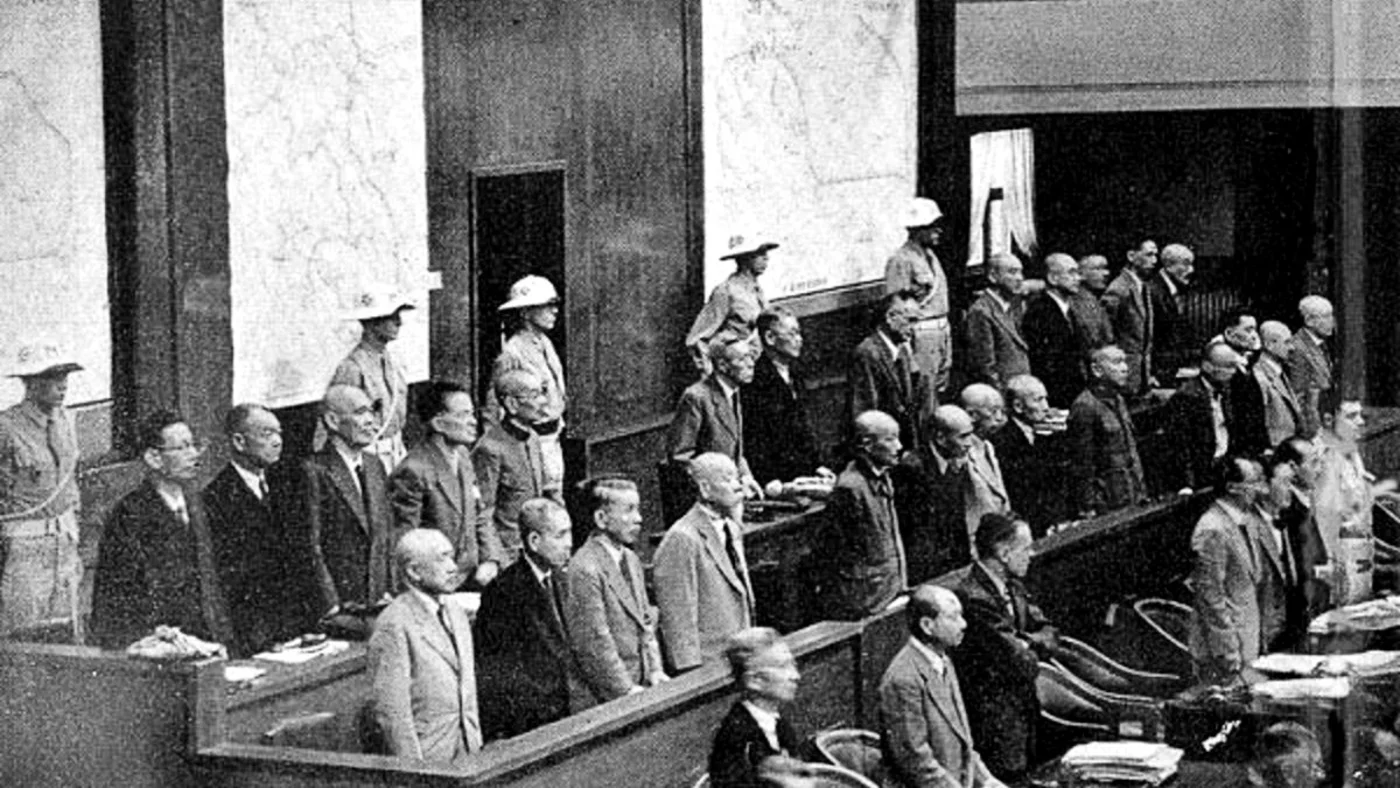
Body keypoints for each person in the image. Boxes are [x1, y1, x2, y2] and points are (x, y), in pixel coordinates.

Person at [91, 410, 233, 649]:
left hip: (207, 636)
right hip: (160, 641)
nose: (193, 455)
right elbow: (117, 596)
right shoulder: (130, 514)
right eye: (182, 448)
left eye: (193, 445)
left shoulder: (198, 504)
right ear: (154, 458)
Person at [204, 404, 316, 656]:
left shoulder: (286, 486)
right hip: (253, 632)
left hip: (294, 625)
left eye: (279, 433)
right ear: (239, 441)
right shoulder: (217, 497)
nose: (277, 442)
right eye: (266, 434)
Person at [955, 514, 1058, 783]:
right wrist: (1029, 646)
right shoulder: (974, 597)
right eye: (1026, 548)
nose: (1032, 554)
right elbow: (1020, 663)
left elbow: (1051, 634)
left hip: (1025, 713)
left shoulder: (1013, 586)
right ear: (1003, 552)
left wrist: (1025, 641)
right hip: (997, 724)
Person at [878, 583, 1008, 788]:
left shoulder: (943, 660)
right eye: (953, 617)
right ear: (927, 625)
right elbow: (916, 763)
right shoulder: (902, 679)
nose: (963, 624)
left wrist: (987, 780)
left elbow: (964, 743)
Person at [369, 528, 482, 763]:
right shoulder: (394, 624)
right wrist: (417, 774)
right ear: (413, 572)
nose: (453, 566)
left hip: (469, 752)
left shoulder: (455, 611)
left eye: (451, 557)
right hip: (430, 760)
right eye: (442, 558)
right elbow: (393, 714)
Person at [0, 342, 83, 640]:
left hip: (64, 539)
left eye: (65, 377)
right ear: (30, 383)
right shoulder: (6, 428)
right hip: (24, 545)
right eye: (52, 377)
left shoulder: (67, 420)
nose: (62, 386)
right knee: (23, 634)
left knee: (66, 630)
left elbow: (73, 483)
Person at [475, 497, 576, 740]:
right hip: (531, 726)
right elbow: (498, 672)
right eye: (560, 535)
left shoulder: (561, 579)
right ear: (534, 541)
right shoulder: (504, 592)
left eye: (570, 533)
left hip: (567, 711)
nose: (569, 544)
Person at [389, 381, 504, 588]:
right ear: (438, 423)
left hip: (473, 576)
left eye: (472, 414)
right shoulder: (413, 470)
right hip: (436, 582)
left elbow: (481, 514)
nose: (472, 422)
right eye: (463, 415)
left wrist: (491, 559)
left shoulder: (463, 456)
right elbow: (406, 542)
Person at [565, 477, 668, 707]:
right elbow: (596, 644)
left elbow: (645, 623)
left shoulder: (630, 559)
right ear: (601, 519)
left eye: (638, 509)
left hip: (641, 686)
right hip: (607, 698)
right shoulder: (585, 568)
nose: (639, 518)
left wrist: (655, 670)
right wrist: (627, 690)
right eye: (629, 510)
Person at [655, 453, 756, 672]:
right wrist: (692, 675)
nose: (737, 486)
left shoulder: (731, 528)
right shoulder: (682, 538)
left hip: (738, 658)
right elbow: (678, 618)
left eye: (737, 478)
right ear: (705, 489)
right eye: (727, 479)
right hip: (709, 667)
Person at [303, 384, 394, 620]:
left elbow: (387, 534)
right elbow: (312, 544)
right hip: (342, 607)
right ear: (332, 421)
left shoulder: (375, 465)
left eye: (372, 412)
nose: (371, 421)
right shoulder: (314, 470)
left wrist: (391, 588)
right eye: (360, 412)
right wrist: (330, 603)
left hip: (379, 600)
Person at [1311, 391, 1400, 606]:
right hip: (1341, 558)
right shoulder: (1321, 459)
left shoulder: (1348, 449)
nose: (1360, 422)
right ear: (1328, 419)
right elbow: (1325, 520)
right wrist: (1335, 569)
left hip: (1360, 551)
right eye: (1351, 416)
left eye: (1360, 415)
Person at [1189, 456, 1269, 686]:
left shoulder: (1246, 521)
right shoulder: (1211, 528)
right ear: (1233, 487)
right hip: (1223, 651)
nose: (1261, 489)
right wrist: (1228, 651)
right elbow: (1211, 596)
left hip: (1248, 640)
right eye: (1254, 482)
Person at [821, 411, 908, 621]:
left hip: (891, 587)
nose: (898, 446)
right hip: (869, 596)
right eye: (890, 439)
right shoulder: (850, 487)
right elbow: (837, 550)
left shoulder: (883, 474)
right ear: (866, 444)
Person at [474, 369, 563, 564]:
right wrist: (497, 560)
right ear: (512, 404)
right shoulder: (489, 448)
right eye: (534, 395)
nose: (543, 401)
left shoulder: (532, 438)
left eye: (542, 392)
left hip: (536, 549)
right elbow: (483, 513)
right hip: (509, 555)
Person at [325, 284, 415, 471]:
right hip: (369, 454)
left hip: (396, 450)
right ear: (373, 322)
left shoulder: (392, 362)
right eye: (392, 316)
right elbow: (336, 419)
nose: (399, 322)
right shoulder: (353, 367)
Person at [492, 275, 568, 494]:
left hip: (552, 437)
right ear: (525, 312)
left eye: (554, 305)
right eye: (546, 306)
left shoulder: (544, 343)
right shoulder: (512, 352)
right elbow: (498, 403)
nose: (554, 311)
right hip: (530, 439)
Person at [708, 627, 811, 788]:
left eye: (793, 665)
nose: (795, 676)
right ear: (754, 681)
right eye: (783, 666)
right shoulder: (736, 737)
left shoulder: (782, 727)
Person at [668, 332, 763, 499]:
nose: (751, 364)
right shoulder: (696, 397)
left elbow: (735, 450)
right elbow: (680, 457)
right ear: (722, 365)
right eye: (742, 359)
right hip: (709, 497)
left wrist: (746, 477)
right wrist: (717, 486)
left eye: (750, 357)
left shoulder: (734, 391)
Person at [743, 308, 826, 485]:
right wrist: (771, 481)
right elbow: (756, 441)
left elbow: (804, 429)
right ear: (770, 338)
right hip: (777, 481)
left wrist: (817, 466)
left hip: (804, 474)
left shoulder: (795, 373)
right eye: (793, 334)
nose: (800, 339)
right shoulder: (755, 381)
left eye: (799, 333)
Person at [894, 405, 976, 581]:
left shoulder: (955, 459)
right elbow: (914, 531)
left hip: (955, 562)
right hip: (929, 569)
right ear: (940, 438)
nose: (970, 443)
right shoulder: (912, 469)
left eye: (970, 434)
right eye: (963, 436)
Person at [885, 197, 953, 399]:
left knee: (939, 387)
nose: (938, 231)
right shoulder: (901, 260)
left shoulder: (930, 256)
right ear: (917, 229)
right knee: (924, 392)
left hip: (941, 329)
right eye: (932, 226)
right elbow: (896, 306)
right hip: (921, 332)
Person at [1068, 345, 1147, 517]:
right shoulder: (1084, 407)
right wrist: (1087, 507)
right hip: (1108, 501)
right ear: (1097, 370)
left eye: (1125, 362)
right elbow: (1083, 463)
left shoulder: (1118, 399)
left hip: (1133, 493)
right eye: (1117, 363)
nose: (1125, 368)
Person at [687, 231, 778, 373]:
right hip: (736, 368)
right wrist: (708, 372)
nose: (766, 258)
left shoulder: (757, 290)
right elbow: (697, 338)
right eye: (759, 253)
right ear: (745, 259)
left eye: (765, 253)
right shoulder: (726, 291)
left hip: (759, 365)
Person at [848, 293, 929, 452]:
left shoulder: (902, 350)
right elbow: (866, 412)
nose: (914, 329)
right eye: (910, 320)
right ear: (890, 317)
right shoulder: (868, 353)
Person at [1162, 341, 1246, 491]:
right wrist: (1187, 484)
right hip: (1202, 472)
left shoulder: (1227, 388)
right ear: (1207, 366)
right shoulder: (1186, 397)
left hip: (1226, 465)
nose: (1233, 372)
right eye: (1228, 366)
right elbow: (1181, 445)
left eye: (1234, 366)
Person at [991, 375, 1063, 535]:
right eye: (1038, 400)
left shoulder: (1044, 433)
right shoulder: (1002, 441)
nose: (1046, 406)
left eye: (1045, 399)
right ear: (1018, 406)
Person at [1024, 253, 1088, 408]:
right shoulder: (1039, 311)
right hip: (1055, 396)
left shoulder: (1071, 310)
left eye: (1078, 273)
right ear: (1053, 278)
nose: (1078, 278)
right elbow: (1042, 361)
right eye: (1071, 273)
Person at [963, 252, 1030, 389]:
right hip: (1002, 393)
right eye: (1012, 272)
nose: (1019, 278)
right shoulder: (981, 311)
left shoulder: (1014, 306)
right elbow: (984, 366)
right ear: (993, 276)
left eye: (1020, 273)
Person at [1101, 237, 1159, 395]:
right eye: (1149, 255)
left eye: (1156, 255)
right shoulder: (1119, 288)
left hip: (1141, 376)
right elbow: (1106, 333)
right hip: (1124, 375)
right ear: (1131, 256)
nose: (1154, 260)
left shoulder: (1142, 286)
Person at [958, 384, 1012, 546]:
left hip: (1001, 534)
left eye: (1002, 411)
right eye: (993, 411)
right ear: (971, 415)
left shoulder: (988, 446)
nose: (1001, 418)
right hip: (978, 540)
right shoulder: (962, 454)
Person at [1287, 295, 1335, 437]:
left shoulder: (1320, 343)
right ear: (1309, 321)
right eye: (1326, 317)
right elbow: (1299, 395)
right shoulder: (1298, 348)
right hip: (1312, 428)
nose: (1331, 321)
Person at [1253, 321, 1306, 448]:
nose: (1292, 348)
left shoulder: (1280, 372)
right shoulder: (1260, 376)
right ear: (1269, 344)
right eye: (1287, 342)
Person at [1147, 243, 1195, 377]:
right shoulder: (1153, 291)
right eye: (1185, 264)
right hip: (1159, 371)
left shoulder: (1174, 290)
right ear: (1168, 265)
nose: (1191, 270)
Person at [1070, 254, 1115, 349]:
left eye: (1105, 268)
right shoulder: (1076, 302)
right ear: (1081, 274)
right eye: (1098, 269)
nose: (1106, 273)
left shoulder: (1096, 300)